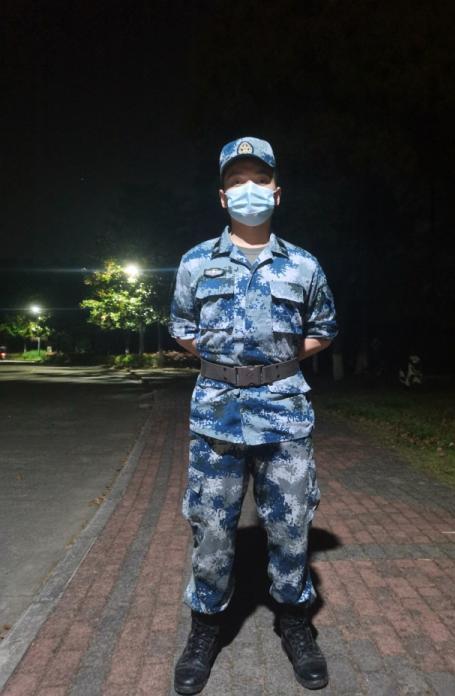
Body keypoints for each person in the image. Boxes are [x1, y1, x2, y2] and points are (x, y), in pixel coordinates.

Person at [169, 137, 338, 694]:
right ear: (222, 197)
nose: (248, 190)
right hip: (216, 415)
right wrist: (230, 367)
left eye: (258, 179)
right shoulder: (196, 262)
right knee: (212, 529)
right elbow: (183, 329)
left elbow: (323, 329)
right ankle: (205, 626)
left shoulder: (304, 265)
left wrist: (275, 364)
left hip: (284, 415)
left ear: (276, 192)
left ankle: (294, 622)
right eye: (236, 180)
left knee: (290, 526)